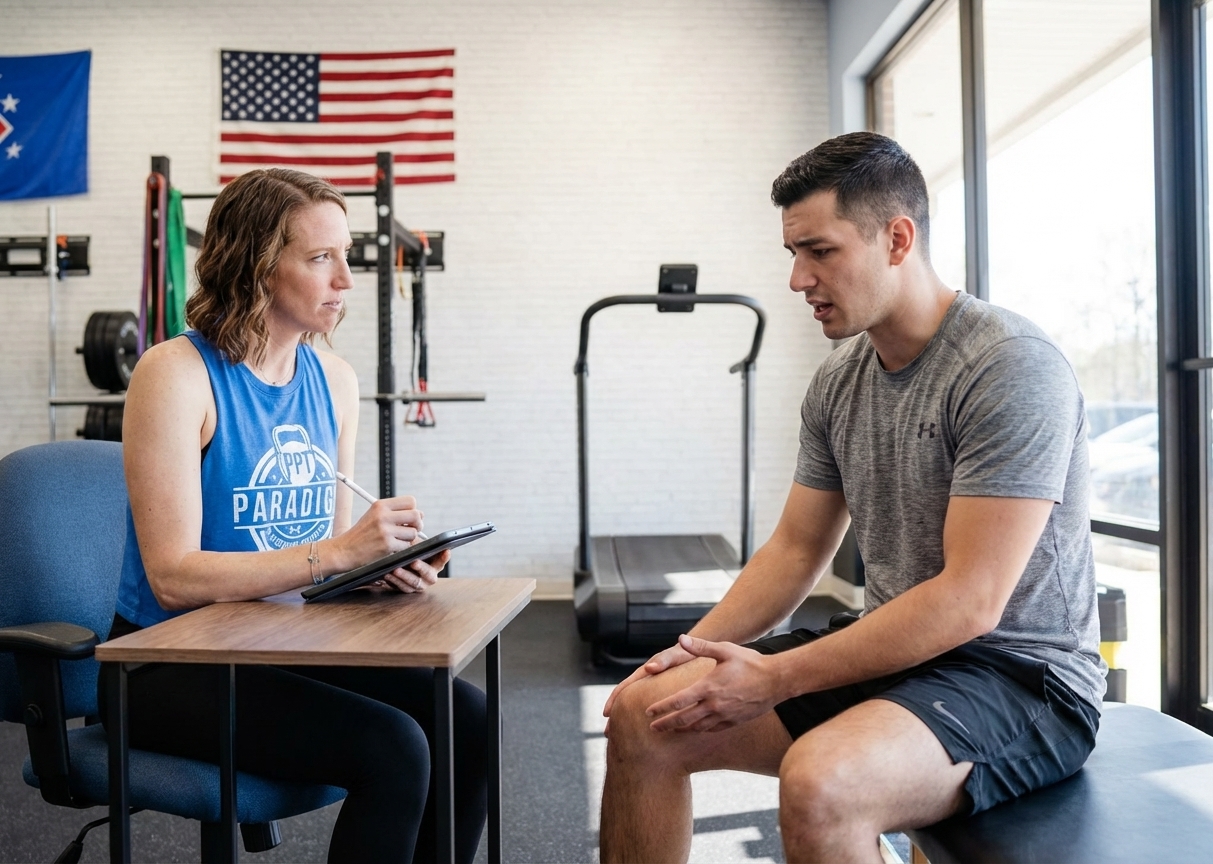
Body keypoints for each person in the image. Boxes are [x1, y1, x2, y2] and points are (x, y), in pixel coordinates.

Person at [599, 132, 1106, 863]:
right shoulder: (839, 380)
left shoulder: (1008, 367)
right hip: (899, 655)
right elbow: (796, 549)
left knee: (822, 783)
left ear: (896, 239)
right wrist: (682, 655)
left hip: (1023, 679)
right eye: (792, 254)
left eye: (820, 251)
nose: (798, 278)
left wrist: (772, 677)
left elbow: (970, 600)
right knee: (646, 715)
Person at [99, 168, 486, 863]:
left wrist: (375, 566)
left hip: (282, 640)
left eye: (345, 255)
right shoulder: (175, 374)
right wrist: (338, 555)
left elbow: (319, 558)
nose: (345, 278)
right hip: (165, 663)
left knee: (469, 719)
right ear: (256, 268)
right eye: (319, 258)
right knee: (392, 745)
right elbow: (173, 578)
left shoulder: (333, 380)